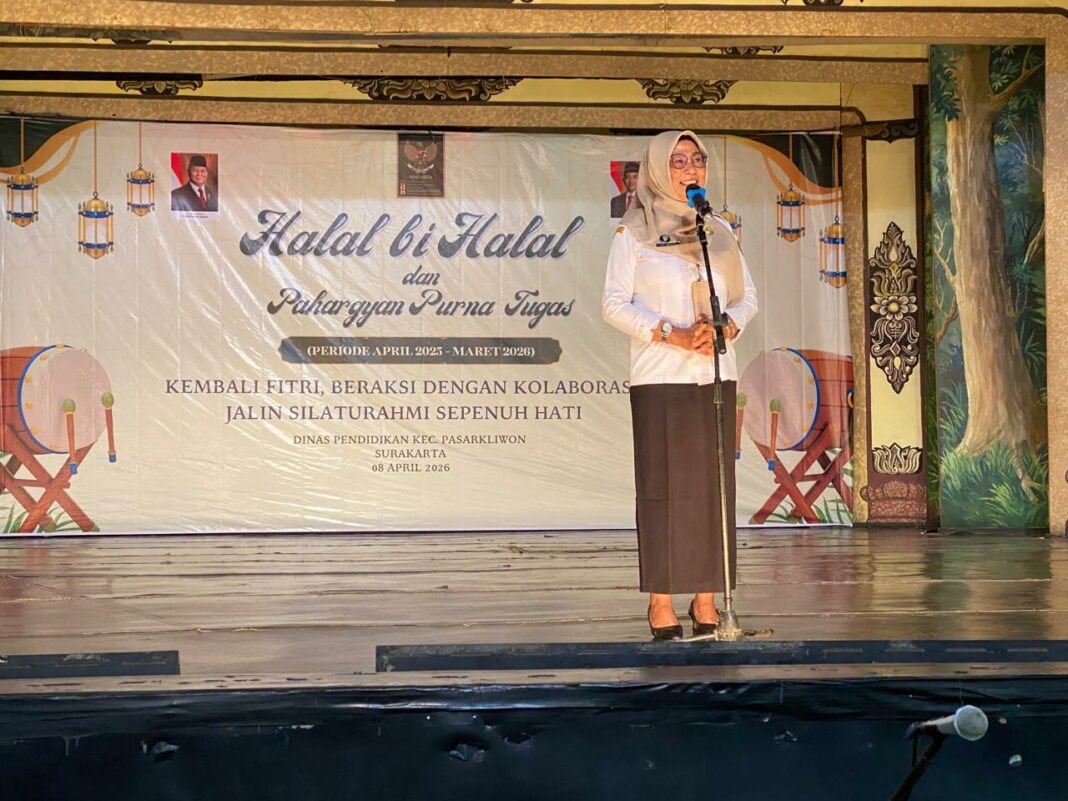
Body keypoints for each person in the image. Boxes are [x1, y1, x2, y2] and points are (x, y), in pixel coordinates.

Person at [602, 130, 758, 640]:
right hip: (660, 377)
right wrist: (672, 333)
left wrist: (727, 325)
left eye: (697, 159)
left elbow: (747, 297)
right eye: (678, 161)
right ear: (656, 169)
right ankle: (662, 600)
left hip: (715, 373)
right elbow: (613, 305)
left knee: (713, 489)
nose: (691, 169)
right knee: (664, 490)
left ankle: (707, 598)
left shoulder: (718, 231)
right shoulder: (633, 232)